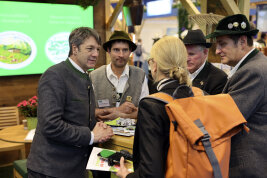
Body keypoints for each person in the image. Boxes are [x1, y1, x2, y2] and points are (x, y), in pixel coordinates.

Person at [27, 27, 113, 178]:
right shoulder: (54, 75)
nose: (96, 54)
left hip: (76, 168)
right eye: (90, 48)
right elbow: (50, 125)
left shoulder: (85, 75)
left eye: (98, 49)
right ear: (75, 48)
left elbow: (78, 116)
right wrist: (92, 136)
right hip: (51, 170)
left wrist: (99, 127)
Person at [116, 36, 192, 178]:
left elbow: (151, 173)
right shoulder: (198, 95)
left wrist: (126, 176)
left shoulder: (152, 105)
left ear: (155, 65)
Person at [206, 14, 267, 177]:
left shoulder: (252, 71)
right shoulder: (256, 65)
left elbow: (226, 118)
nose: (217, 51)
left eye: (222, 44)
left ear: (241, 42)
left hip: (248, 167)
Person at [90, 31, 149, 120]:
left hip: (132, 133)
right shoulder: (94, 76)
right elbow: (88, 111)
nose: (121, 55)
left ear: (130, 52)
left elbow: (145, 111)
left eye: (125, 50)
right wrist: (117, 110)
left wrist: (121, 115)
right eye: (116, 50)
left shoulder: (140, 75)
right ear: (109, 51)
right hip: (101, 132)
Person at [183, 29, 228, 95]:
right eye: (184, 54)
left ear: (205, 53)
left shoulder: (218, 79)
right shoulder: (177, 74)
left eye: (191, 54)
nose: (187, 59)